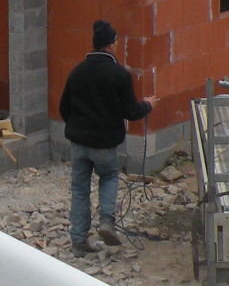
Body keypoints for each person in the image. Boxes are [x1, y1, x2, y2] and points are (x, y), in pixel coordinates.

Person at [58, 19, 157, 255]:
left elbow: (64, 108)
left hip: (79, 143)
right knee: (110, 176)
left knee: (80, 189)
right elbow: (131, 112)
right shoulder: (119, 75)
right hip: (103, 144)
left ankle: (79, 241)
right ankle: (106, 221)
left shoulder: (77, 72)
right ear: (112, 45)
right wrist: (148, 105)